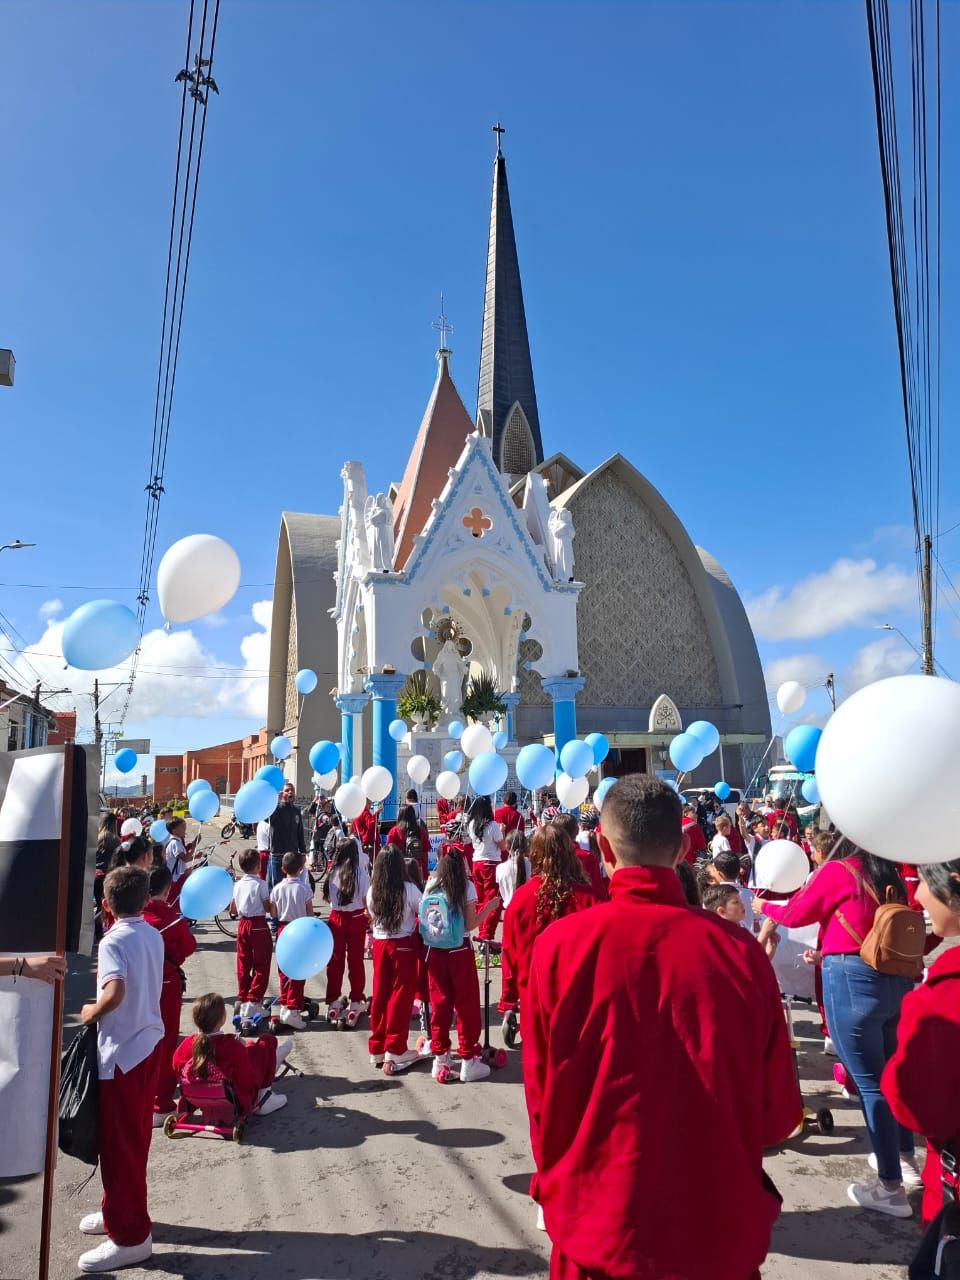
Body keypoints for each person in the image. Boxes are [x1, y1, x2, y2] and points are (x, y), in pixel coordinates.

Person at [523, 775, 801, 1280]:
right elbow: (777, 1116)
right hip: (714, 1237)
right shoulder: (740, 955)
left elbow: (544, 1103)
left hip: (598, 1230)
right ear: (682, 849)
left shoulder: (559, 950)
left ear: (602, 847)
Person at [754, 837, 920, 1217]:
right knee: (891, 1074)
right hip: (894, 978)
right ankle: (905, 1159)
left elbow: (796, 913)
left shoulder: (839, 870)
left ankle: (890, 1187)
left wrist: (763, 905)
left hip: (852, 980)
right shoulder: (886, 871)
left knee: (868, 1082)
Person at [77, 867, 164, 1274]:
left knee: (120, 1146)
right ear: (145, 900)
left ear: (106, 905)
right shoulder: (152, 933)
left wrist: (89, 1012)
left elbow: (115, 992)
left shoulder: (113, 941)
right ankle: (119, 1212)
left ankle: (130, 1236)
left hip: (124, 1052)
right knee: (131, 1141)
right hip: (145, 1045)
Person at [882, 859, 960, 1224]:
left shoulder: (944, 995)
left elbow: (912, 1102)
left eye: (925, 880)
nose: (918, 894)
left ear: (954, 882)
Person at [498, 824, 597, 1018]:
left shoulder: (521, 899)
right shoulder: (589, 896)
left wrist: (508, 998)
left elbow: (509, 953)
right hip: (580, 999)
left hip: (534, 999)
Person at [422, 851, 500, 1082]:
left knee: (440, 1004)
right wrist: (489, 907)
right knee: (466, 1006)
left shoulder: (432, 884)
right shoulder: (466, 887)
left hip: (435, 951)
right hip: (459, 951)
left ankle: (441, 1057)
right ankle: (468, 1059)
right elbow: (470, 923)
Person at [172, 992, 291, 1117]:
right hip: (233, 1099)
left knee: (251, 1047)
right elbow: (248, 1080)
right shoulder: (231, 1046)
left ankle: (271, 1056)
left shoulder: (187, 1044)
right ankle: (265, 1093)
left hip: (196, 1096)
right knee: (266, 1042)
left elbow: (176, 1067)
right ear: (222, 1019)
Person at [142, 866, 196, 1123]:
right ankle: (160, 1103)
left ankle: (141, 1094)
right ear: (167, 888)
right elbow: (188, 945)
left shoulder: (132, 913)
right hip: (166, 983)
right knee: (164, 1040)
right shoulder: (170, 916)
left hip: (137, 983)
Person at [366, 843, 423, 1072]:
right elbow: (423, 910)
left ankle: (378, 1047)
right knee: (401, 996)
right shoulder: (408, 889)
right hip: (403, 944)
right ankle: (396, 1047)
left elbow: (371, 913)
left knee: (380, 994)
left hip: (380, 943)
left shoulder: (372, 891)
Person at [324, 837, 371, 1023]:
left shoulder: (332, 872)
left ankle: (333, 1000)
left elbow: (328, 899)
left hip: (336, 919)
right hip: (356, 918)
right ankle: (356, 999)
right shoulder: (361, 874)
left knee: (335, 961)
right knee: (356, 961)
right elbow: (366, 901)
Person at [270, 851, 315, 1029]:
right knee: (298, 971)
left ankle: (284, 1003)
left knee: (284, 969)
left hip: (283, 930)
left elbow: (273, 914)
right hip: (300, 930)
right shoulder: (305, 889)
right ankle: (294, 1009)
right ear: (301, 868)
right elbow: (310, 914)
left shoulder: (277, 888)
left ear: (282, 869)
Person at [231, 847, 276, 1019]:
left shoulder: (238, 884)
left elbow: (233, 909)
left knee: (243, 962)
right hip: (258, 924)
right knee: (261, 964)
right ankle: (254, 999)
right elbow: (266, 908)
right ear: (258, 865)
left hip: (243, 924)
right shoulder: (261, 884)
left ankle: (243, 997)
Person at [467, 795, 508, 946]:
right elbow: (502, 846)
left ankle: (482, 930)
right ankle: (487, 935)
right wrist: (502, 832)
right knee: (492, 900)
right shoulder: (492, 826)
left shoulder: (472, 824)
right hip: (491, 864)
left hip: (476, 863)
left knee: (481, 899)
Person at [267, 783, 305, 893]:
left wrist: (303, 852)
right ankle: (276, 910)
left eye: (292, 790)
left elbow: (300, 832)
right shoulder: (277, 808)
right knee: (276, 888)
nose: (290, 792)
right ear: (282, 793)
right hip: (278, 856)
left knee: (292, 888)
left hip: (293, 856)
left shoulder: (296, 811)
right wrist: (275, 801)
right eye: (287, 790)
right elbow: (268, 820)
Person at [386, 803, 430, 883]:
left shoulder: (394, 831)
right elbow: (425, 852)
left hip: (400, 871)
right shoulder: (420, 831)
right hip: (417, 870)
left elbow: (389, 853)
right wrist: (425, 873)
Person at [496, 832, 531, 909]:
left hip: (508, 909)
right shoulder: (530, 864)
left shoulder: (499, 868)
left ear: (507, 848)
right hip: (527, 908)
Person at [163, 818, 190, 903]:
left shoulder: (176, 841)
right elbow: (185, 858)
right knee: (176, 900)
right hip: (175, 878)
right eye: (182, 827)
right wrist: (195, 844)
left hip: (174, 877)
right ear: (174, 831)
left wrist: (195, 856)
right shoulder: (175, 843)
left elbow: (180, 857)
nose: (185, 829)